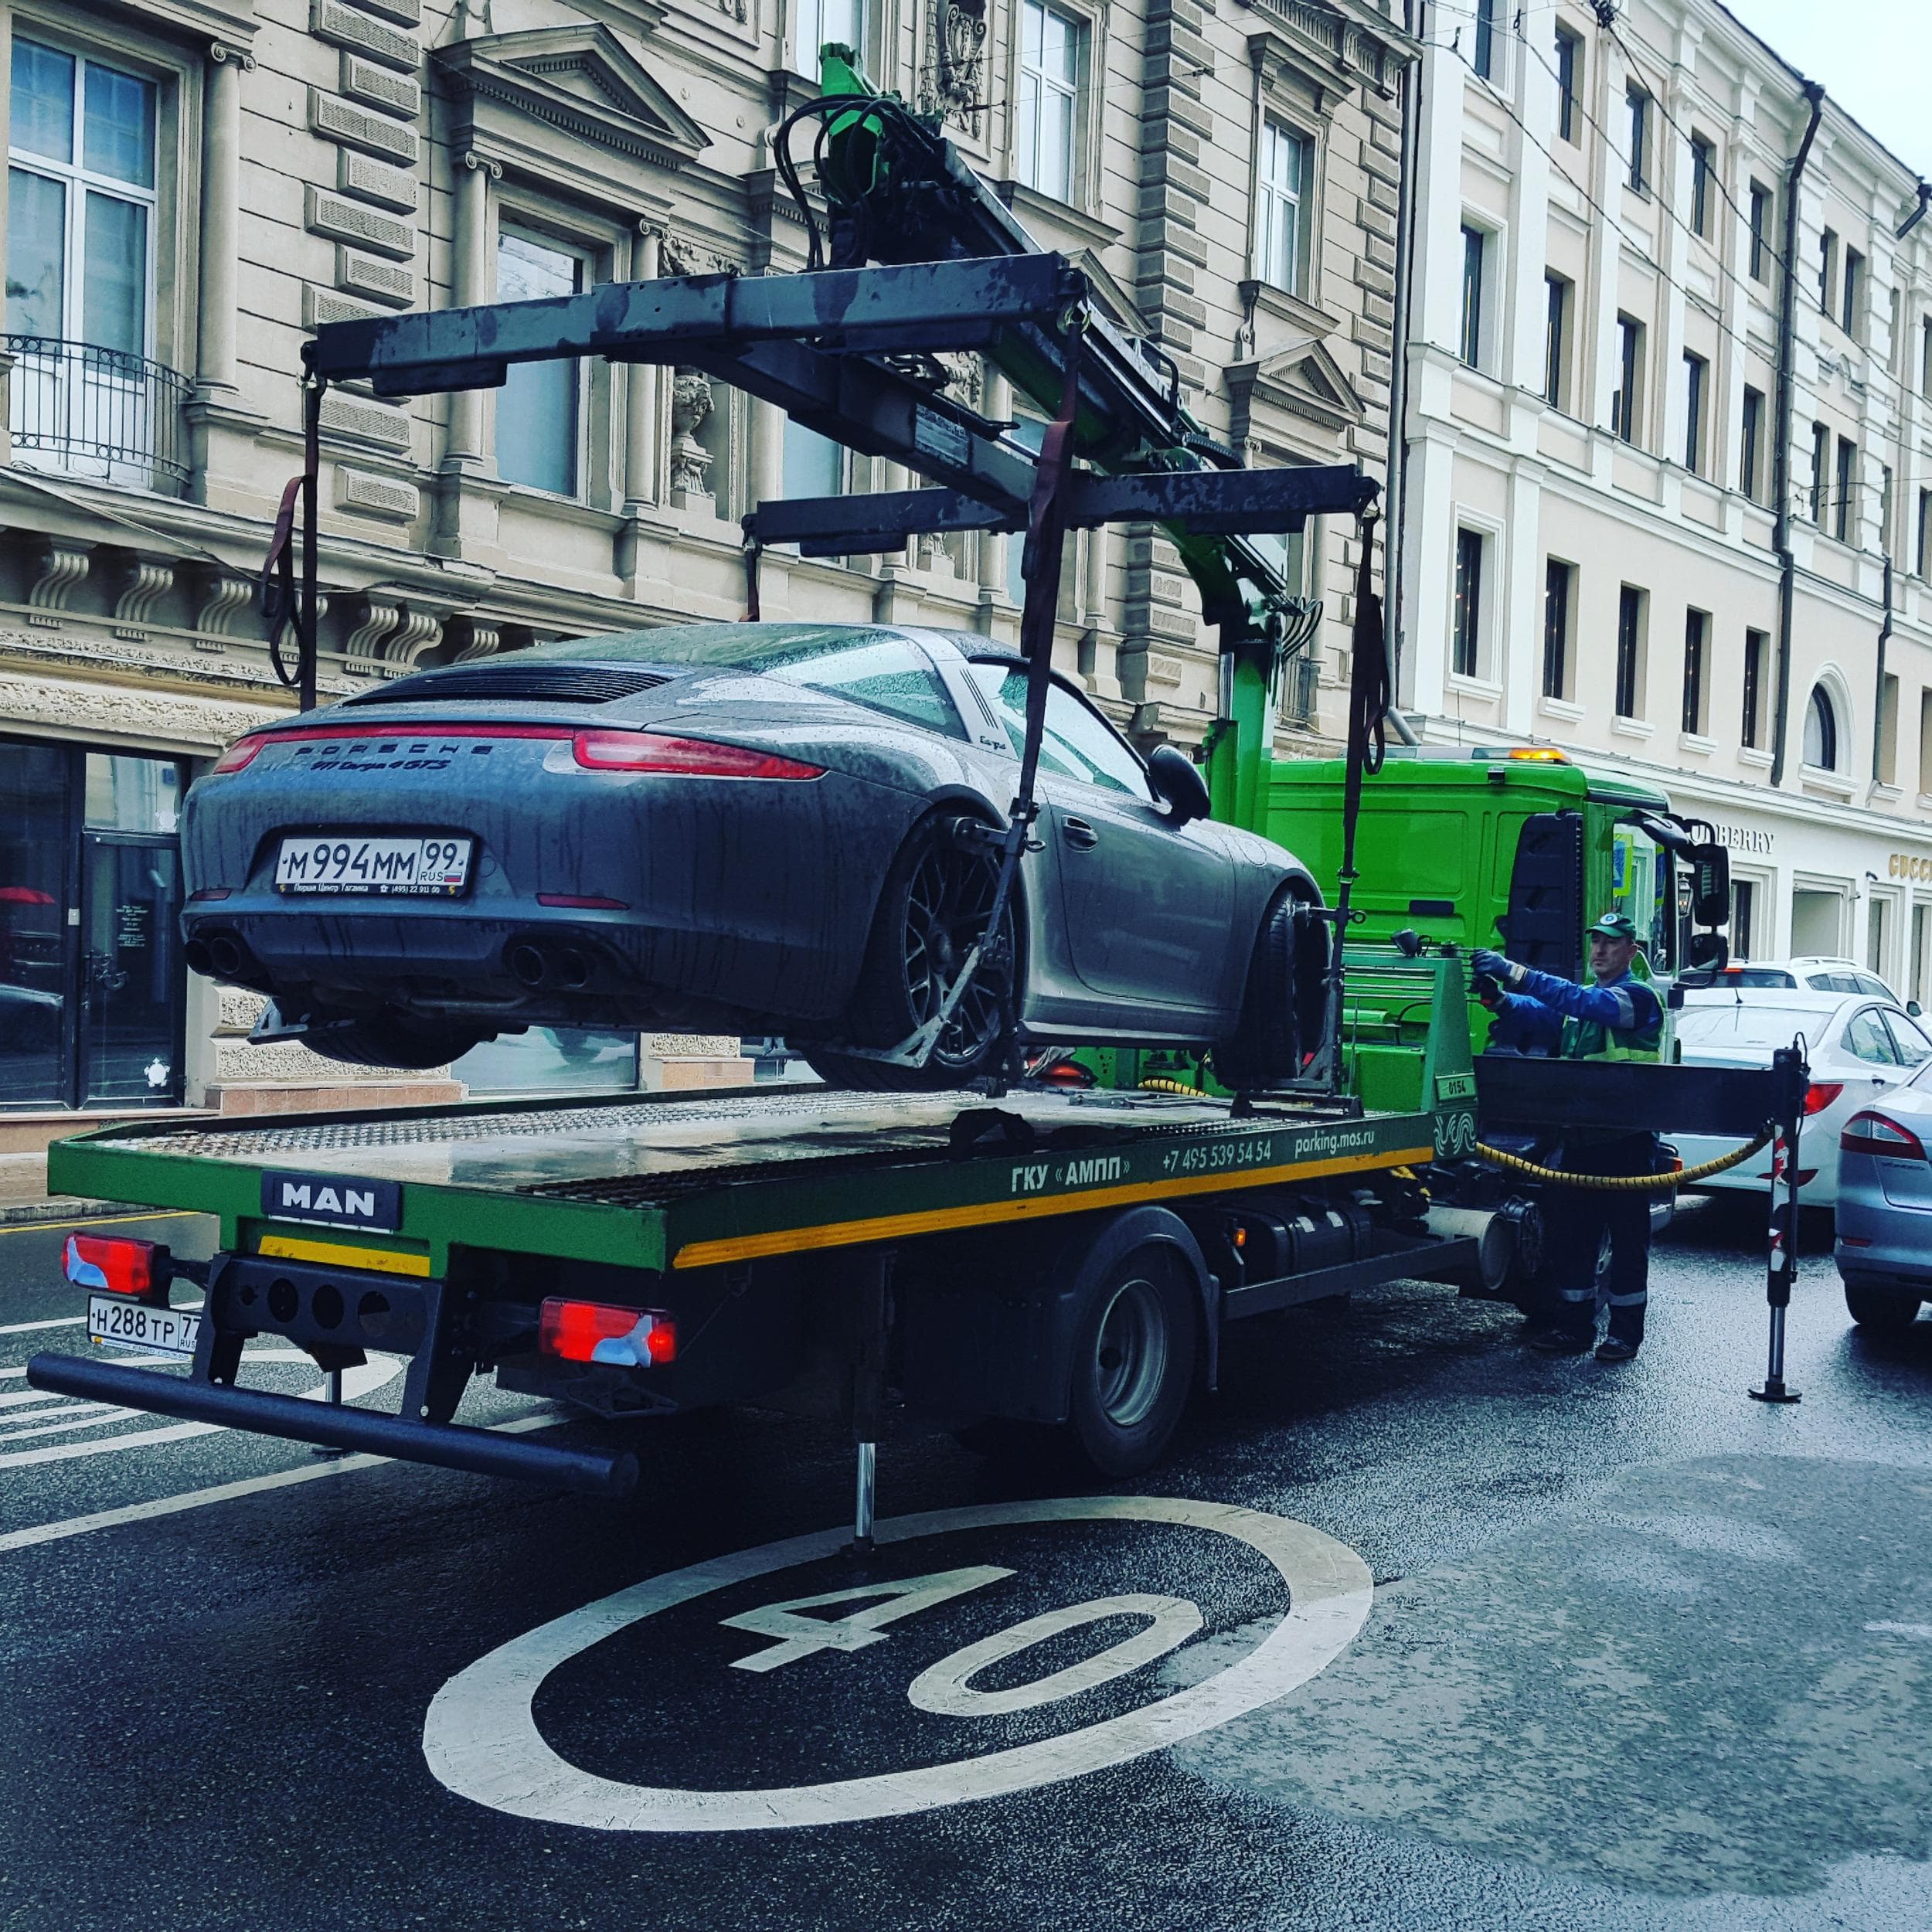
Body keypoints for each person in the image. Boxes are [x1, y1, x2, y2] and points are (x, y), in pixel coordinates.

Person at [1471, 912, 1665, 1362]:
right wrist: (1498, 1000)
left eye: (1612, 943)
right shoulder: (1587, 1002)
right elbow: (1543, 1013)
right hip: (1579, 1141)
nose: (1600, 950)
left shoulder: (1639, 998)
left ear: (1632, 952)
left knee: (1627, 1243)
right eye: (1595, 942)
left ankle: (1624, 1336)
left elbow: (1579, 1003)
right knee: (1573, 1238)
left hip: (1626, 1142)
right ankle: (1574, 1328)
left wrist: (1516, 972)